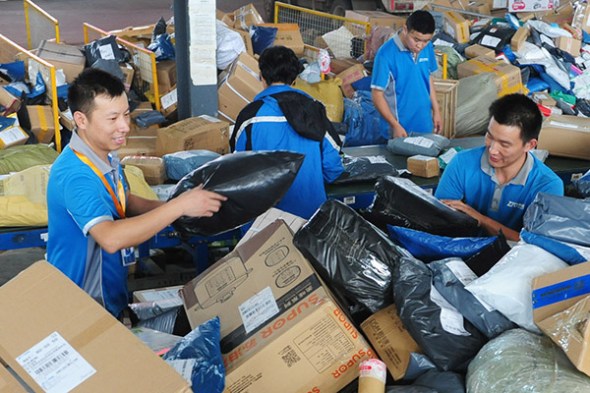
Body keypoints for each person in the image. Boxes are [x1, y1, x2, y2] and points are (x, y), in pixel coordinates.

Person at [47, 68, 227, 318]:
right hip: (81, 308)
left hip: (109, 297)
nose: (124, 127)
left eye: (126, 115)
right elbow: (110, 238)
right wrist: (179, 207)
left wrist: (176, 206)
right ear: (81, 120)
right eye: (112, 119)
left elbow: (125, 201)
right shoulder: (77, 175)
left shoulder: (106, 155)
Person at [230, 45, 344, 219]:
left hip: (262, 224)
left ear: (262, 77)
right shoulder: (314, 110)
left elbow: (236, 171)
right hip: (310, 221)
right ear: (294, 80)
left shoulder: (250, 116)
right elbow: (333, 167)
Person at [435, 94, 564, 241]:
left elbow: (538, 245)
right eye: (489, 136)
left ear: (530, 145)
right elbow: (439, 220)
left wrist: (480, 219)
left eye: (504, 144)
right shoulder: (462, 162)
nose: (492, 150)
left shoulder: (547, 185)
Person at [371, 10, 441, 138]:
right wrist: (395, 125)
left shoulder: (428, 47)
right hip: (399, 129)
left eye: (425, 41)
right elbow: (377, 94)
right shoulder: (385, 54)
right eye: (416, 39)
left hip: (424, 125)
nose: (420, 45)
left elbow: (427, 77)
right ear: (405, 29)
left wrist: (436, 110)